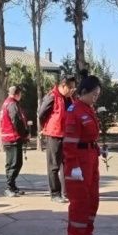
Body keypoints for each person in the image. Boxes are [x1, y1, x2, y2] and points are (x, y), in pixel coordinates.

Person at [63, 71, 106, 235]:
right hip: (79, 160)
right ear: (84, 92)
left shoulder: (88, 109)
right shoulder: (74, 111)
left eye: (98, 95)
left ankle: (87, 234)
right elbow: (69, 142)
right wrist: (73, 166)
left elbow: (89, 136)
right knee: (80, 201)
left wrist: (98, 149)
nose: (96, 98)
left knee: (92, 199)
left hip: (90, 158)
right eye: (94, 94)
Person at [39, 75, 77, 203]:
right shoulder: (52, 96)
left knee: (67, 165)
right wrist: (46, 127)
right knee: (54, 166)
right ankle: (55, 193)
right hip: (54, 135)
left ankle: (66, 192)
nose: (72, 90)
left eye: (74, 88)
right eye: (70, 88)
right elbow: (41, 114)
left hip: (67, 135)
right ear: (63, 86)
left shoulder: (70, 99)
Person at [0, 86, 30, 197]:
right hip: (13, 138)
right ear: (17, 94)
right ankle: (9, 187)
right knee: (15, 163)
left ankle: (12, 186)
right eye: (20, 94)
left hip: (8, 138)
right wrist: (25, 134)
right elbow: (16, 121)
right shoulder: (12, 104)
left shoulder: (7, 103)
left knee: (12, 163)